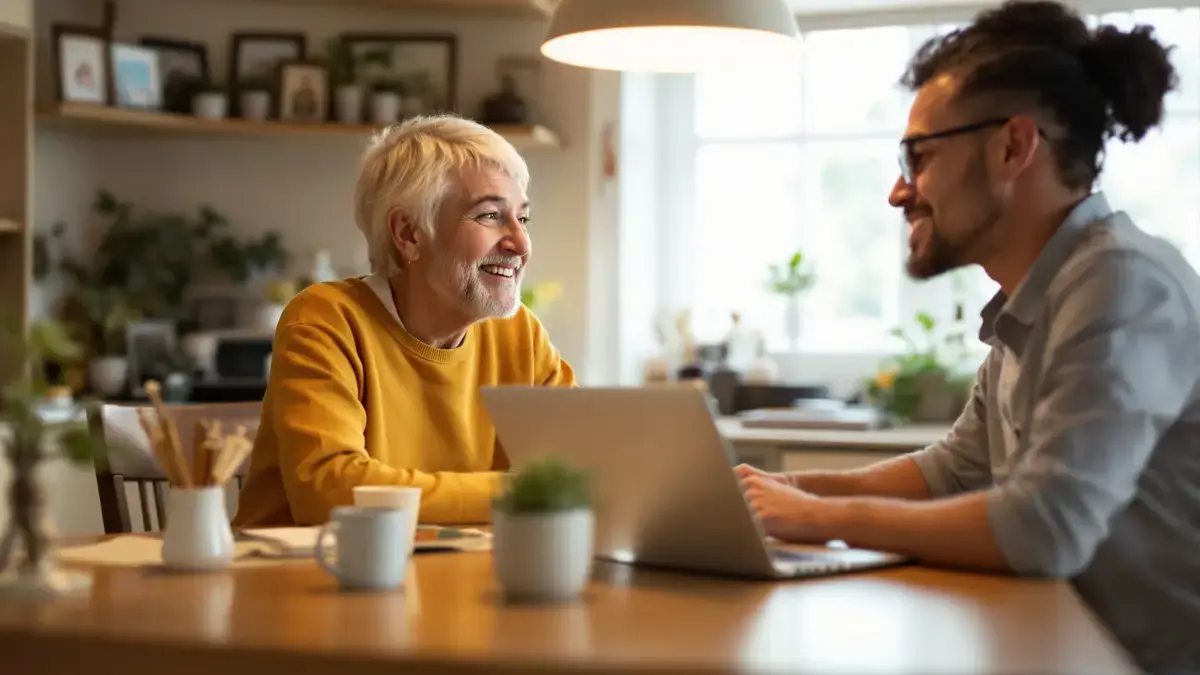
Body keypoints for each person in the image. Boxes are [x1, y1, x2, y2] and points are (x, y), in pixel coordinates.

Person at [735, 2, 1200, 672]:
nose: (899, 191)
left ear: (1013, 146)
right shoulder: (1039, 295)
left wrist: (814, 516)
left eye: (918, 155)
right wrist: (777, 492)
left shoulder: (1123, 282)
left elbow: (1046, 527)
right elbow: (952, 470)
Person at [233, 115, 576, 528]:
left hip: (453, 579)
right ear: (409, 233)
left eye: (522, 218)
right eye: (489, 216)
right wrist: (523, 494)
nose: (520, 243)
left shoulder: (521, 335)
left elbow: (589, 469)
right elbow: (329, 493)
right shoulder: (327, 320)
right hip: (302, 581)